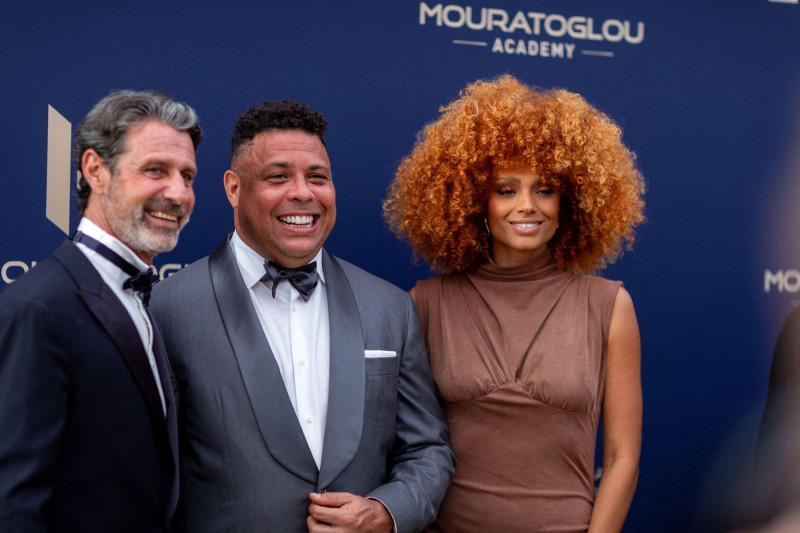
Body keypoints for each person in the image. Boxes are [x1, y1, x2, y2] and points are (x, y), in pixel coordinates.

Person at [149, 99, 455, 533]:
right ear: (233, 188)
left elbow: (428, 449)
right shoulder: (167, 308)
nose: (303, 193)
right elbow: (140, 472)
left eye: (318, 177)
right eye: (278, 177)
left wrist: (387, 512)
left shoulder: (389, 307)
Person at [383, 75, 645, 532]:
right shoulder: (426, 303)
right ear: (473, 199)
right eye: (506, 190)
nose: (527, 206)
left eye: (544, 189)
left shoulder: (609, 306)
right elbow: (398, 447)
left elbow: (623, 457)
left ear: (570, 199)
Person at [0, 90, 201, 531]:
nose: (178, 193)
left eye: (187, 176)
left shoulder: (139, 298)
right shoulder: (38, 308)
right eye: (155, 170)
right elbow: (12, 502)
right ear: (95, 170)